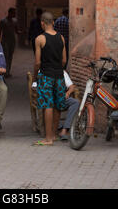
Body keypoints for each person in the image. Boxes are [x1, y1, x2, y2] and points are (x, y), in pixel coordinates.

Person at [32, 11, 67, 145]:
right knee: (58, 104)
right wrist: (60, 69)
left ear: (42, 23)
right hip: (59, 75)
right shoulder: (61, 38)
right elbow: (64, 60)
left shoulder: (40, 39)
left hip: (46, 75)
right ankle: (54, 134)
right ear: (53, 22)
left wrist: (35, 78)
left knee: (47, 105)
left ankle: (48, 139)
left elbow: (37, 62)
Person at [58, 70, 79, 141]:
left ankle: (64, 129)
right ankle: (57, 127)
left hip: (62, 98)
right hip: (50, 99)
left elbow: (71, 86)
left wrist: (68, 93)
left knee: (75, 102)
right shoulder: (42, 71)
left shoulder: (62, 72)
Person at [0, 7, 19, 77]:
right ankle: (4, 71)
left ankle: (8, 71)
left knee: (10, 56)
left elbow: (16, 31)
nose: (15, 14)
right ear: (10, 13)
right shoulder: (3, 21)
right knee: (5, 56)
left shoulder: (15, 21)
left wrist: (22, 32)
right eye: (14, 13)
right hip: (5, 41)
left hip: (12, 41)